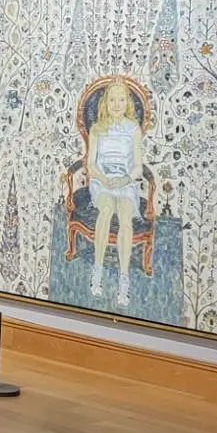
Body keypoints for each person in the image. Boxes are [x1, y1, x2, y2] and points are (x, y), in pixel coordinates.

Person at [86, 79, 144, 305]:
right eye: (112, 100)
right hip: (102, 181)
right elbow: (91, 165)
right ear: (105, 103)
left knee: (125, 217)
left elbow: (138, 167)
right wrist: (104, 179)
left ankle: (123, 278)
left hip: (126, 182)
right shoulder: (97, 128)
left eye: (121, 100)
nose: (117, 104)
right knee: (107, 210)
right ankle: (98, 270)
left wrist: (125, 179)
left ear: (127, 102)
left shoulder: (133, 129)